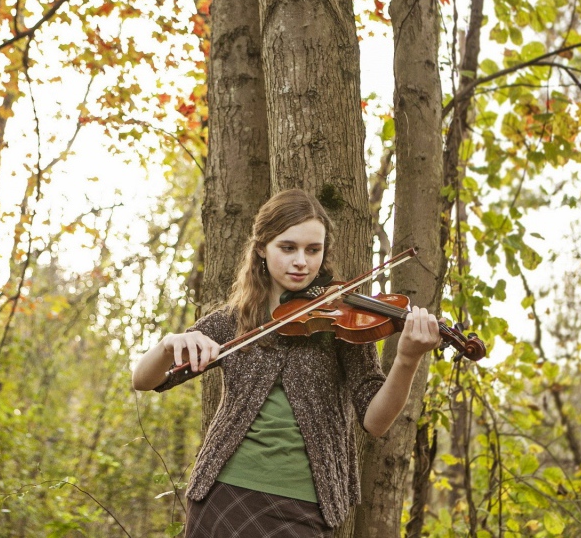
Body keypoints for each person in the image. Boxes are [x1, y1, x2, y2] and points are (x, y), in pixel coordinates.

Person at [132, 189, 441, 537]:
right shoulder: (233, 320)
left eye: (313, 250)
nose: (301, 262)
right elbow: (144, 380)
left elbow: (376, 421)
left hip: (305, 503)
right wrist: (169, 345)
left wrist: (407, 359)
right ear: (262, 248)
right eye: (288, 247)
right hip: (224, 493)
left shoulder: (345, 320)